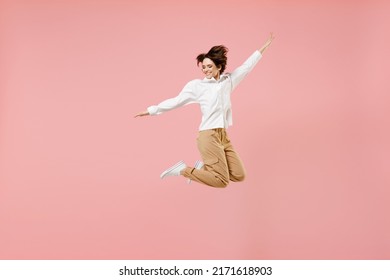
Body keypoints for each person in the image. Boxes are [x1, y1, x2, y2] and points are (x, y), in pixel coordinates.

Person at [135, 33, 275, 188]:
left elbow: (246, 67)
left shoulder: (228, 81)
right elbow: (177, 101)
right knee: (221, 182)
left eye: (209, 66)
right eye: (203, 67)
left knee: (239, 175)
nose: (206, 70)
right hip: (208, 136)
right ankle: (183, 170)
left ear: (219, 66)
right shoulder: (197, 86)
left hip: (223, 136)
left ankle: (203, 169)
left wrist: (265, 46)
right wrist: (152, 110)